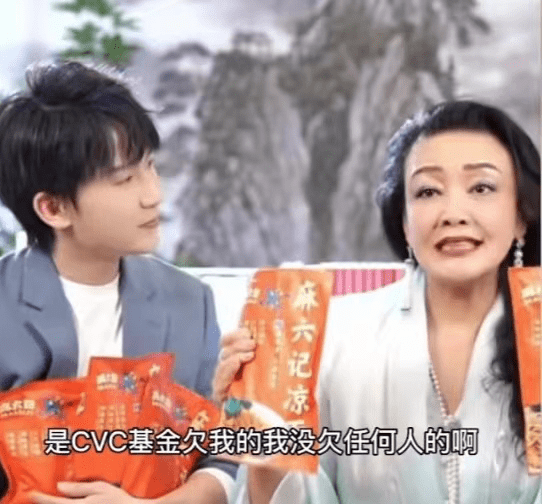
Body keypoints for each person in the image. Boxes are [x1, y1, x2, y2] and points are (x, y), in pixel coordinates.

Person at [213, 101, 541, 504]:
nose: (453, 213)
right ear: (405, 222)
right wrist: (263, 434)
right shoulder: (333, 336)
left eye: (481, 188)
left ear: (521, 215)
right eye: (428, 191)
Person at [0, 61, 236, 504]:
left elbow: (220, 454)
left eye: (151, 166)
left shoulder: (190, 301)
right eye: (124, 179)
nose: (153, 195)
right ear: (54, 208)